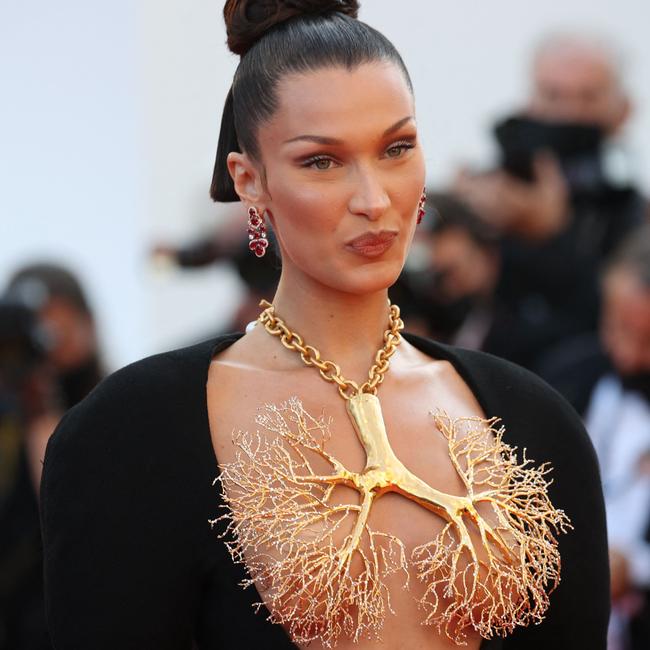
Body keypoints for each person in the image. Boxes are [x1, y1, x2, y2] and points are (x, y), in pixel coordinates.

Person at [40, 3, 609, 649]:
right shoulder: (130, 430)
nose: (373, 199)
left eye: (397, 149)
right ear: (249, 180)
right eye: (322, 162)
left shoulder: (536, 419)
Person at [454, 32, 645, 371]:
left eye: (588, 97)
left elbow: (620, 319)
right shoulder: (490, 192)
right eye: (553, 95)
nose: (568, 113)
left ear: (623, 111)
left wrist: (552, 235)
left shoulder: (633, 215)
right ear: (531, 101)